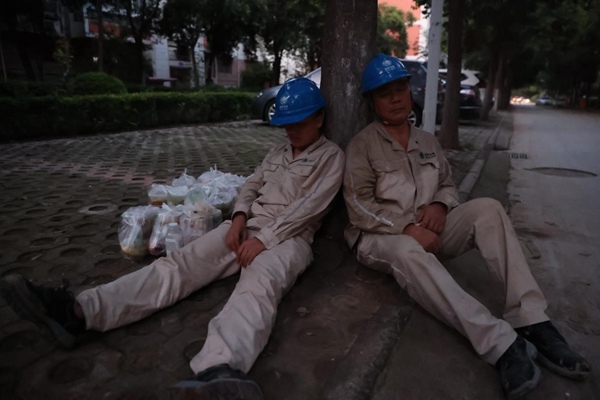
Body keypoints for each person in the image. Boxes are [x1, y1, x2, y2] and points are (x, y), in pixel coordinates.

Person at [0, 77, 345, 400]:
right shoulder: (278, 152)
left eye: (299, 123)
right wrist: (239, 217)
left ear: (319, 119)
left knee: (257, 287)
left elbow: (310, 208)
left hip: (288, 238)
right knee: (178, 264)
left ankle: (219, 369)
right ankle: (79, 312)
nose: (291, 131)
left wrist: (264, 240)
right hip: (248, 226)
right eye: (286, 124)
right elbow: (252, 184)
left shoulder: (331, 157)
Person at [343, 54, 591, 398]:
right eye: (385, 94)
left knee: (488, 209)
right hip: (381, 238)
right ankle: (500, 344)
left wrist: (440, 205)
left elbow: (447, 183)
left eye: (400, 89)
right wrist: (407, 228)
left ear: (409, 92)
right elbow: (358, 206)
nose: (396, 98)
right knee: (408, 250)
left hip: (430, 231)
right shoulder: (362, 145)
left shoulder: (427, 141)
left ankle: (531, 318)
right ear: (372, 102)